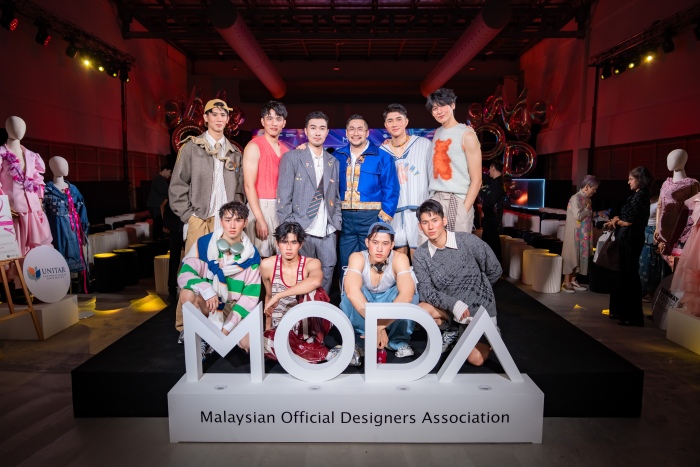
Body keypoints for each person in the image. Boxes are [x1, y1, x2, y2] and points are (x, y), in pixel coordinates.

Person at [169, 98, 245, 341]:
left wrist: (236, 216)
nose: (219, 118)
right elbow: (178, 185)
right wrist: (188, 216)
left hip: (227, 223)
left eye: (224, 115)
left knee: (227, 272)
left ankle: (223, 325)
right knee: (192, 271)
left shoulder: (235, 152)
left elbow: (240, 190)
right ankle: (185, 326)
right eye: (215, 114)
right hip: (200, 219)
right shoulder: (191, 148)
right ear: (205, 118)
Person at [413, 199, 502, 366]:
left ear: (444, 221)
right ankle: (452, 330)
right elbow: (426, 291)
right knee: (421, 310)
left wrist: (478, 292)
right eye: (425, 222)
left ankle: (481, 336)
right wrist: (453, 304)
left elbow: (495, 269)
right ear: (420, 227)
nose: (431, 227)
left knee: (475, 359)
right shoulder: (421, 255)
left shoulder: (468, 241)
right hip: (450, 309)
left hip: (478, 309)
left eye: (435, 220)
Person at [178, 201, 261, 358]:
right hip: (210, 303)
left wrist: (225, 329)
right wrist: (207, 289)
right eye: (228, 220)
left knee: (249, 344)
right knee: (187, 294)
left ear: (245, 222)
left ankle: (215, 336)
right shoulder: (204, 245)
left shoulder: (252, 255)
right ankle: (201, 337)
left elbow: (249, 297)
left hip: (233, 308)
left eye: (238, 220)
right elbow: (185, 274)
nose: (232, 225)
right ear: (221, 221)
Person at [276, 111, 341, 294]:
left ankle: (321, 312)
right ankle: (303, 312)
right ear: (306, 131)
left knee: (327, 274)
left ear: (327, 131)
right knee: (301, 276)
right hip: (301, 229)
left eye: (322, 128)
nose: (317, 132)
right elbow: (284, 198)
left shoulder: (333, 161)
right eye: (313, 128)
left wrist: (336, 221)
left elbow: (335, 196)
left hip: (327, 230)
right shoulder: (292, 158)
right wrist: (290, 230)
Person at [340, 222, 417, 366]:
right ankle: (359, 342)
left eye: (385, 243)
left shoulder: (400, 258)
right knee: (349, 292)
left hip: (387, 304)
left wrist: (379, 326)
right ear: (367, 242)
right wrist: (375, 324)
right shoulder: (357, 257)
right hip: (366, 304)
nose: (379, 248)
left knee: (411, 291)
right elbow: (352, 292)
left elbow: (407, 295)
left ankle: (397, 340)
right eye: (375, 242)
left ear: (392, 245)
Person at [260, 222, 338, 363]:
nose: (289, 247)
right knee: (263, 342)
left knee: (315, 292)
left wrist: (280, 295)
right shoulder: (267, 265)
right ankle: (314, 352)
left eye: (294, 242)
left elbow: (315, 281)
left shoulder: (311, 263)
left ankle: (305, 345)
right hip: (282, 324)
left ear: (301, 245)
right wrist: (267, 329)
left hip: (306, 325)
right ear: (277, 244)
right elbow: (269, 297)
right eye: (284, 242)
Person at [333, 114, 399, 269]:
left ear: (367, 132)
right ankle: (347, 286)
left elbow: (391, 190)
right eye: (352, 129)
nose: (356, 133)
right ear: (346, 133)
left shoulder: (383, 157)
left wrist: (381, 221)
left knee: (372, 264)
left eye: (360, 129)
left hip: (371, 218)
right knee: (347, 264)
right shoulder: (337, 157)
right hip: (345, 220)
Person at [423, 88, 483, 236]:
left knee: (456, 248)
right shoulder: (437, 133)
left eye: (442, 105)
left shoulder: (467, 134)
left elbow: (477, 180)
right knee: (430, 247)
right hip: (435, 199)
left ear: (453, 105)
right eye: (434, 108)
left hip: (456, 199)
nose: (439, 111)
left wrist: (464, 209)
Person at [379, 103, 431, 259]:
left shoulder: (424, 144)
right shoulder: (381, 151)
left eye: (398, 119)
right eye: (390, 120)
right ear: (385, 125)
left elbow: (433, 176)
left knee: (420, 258)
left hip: (420, 210)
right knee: (397, 259)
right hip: (392, 212)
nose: (394, 124)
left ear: (406, 121)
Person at [605, 166, 653, 327]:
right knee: (624, 275)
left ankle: (632, 316)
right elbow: (626, 218)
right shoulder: (637, 196)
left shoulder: (641, 197)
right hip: (627, 238)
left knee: (629, 276)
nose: (628, 182)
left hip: (632, 239)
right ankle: (622, 312)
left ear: (640, 179)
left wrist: (617, 221)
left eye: (631, 179)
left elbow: (630, 221)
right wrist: (618, 220)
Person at [243, 101, 290, 258]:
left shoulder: (286, 150)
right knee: (259, 258)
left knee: (281, 258)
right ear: (262, 121)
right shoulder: (254, 146)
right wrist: (259, 218)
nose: (274, 123)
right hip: (260, 205)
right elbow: (248, 185)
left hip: (280, 208)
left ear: (283, 123)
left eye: (278, 119)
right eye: (269, 118)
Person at [561, 174, 603, 293]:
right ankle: (566, 282)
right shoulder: (575, 198)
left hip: (584, 233)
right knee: (572, 255)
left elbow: (587, 214)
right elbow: (578, 215)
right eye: (594, 189)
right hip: (575, 233)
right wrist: (587, 208)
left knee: (581, 256)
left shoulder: (587, 198)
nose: (595, 191)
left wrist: (596, 213)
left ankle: (574, 280)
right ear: (587, 186)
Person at [656, 149, 699, 258]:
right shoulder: (666, 183)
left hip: (680, 227)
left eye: (673, 159)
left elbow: (693, 210)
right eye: (668, 159)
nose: (669, 162)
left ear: (683, 160)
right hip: (663, 226)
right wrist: (656, 227)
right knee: (663, 257)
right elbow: (659, 206)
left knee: (676, 257)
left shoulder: (691, 184)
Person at [639, 183, 662, 302]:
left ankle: (650, 292)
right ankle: (642, 290)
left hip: (653, 230)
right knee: (642, 262)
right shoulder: (645, 200)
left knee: (651, 262)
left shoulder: (659, 201)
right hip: (644, 229)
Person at [480, 160, 506, 260]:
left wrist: (482, 193)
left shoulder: (497, 185)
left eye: (490, 169)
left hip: (493, 219)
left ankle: (496, 265)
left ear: (493, 168)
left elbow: (489, 200)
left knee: (492, 243)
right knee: (489, 242)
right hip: (490, 218)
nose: (489, 171)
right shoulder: (494, 183)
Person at [146, 163, 173, 240]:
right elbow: (163, 190)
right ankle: (158, 240)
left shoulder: (160, 179)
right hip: (156, 206)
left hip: (157, 205)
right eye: (170, 172)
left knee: (159, 224)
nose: (170, 175)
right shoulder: (159, 179)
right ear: (165, 170)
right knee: (158, 224)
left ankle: (158, 239)